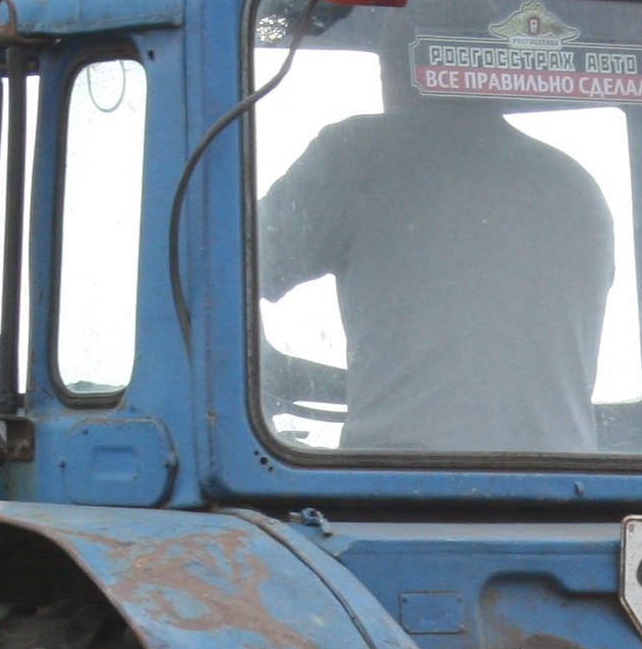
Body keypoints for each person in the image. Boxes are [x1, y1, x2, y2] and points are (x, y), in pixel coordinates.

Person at [257, 27, 614, 453]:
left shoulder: (360, 155)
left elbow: (228, 267)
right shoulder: (572, 184)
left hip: (396, 495)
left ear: (395, 67)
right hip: (567, 491)